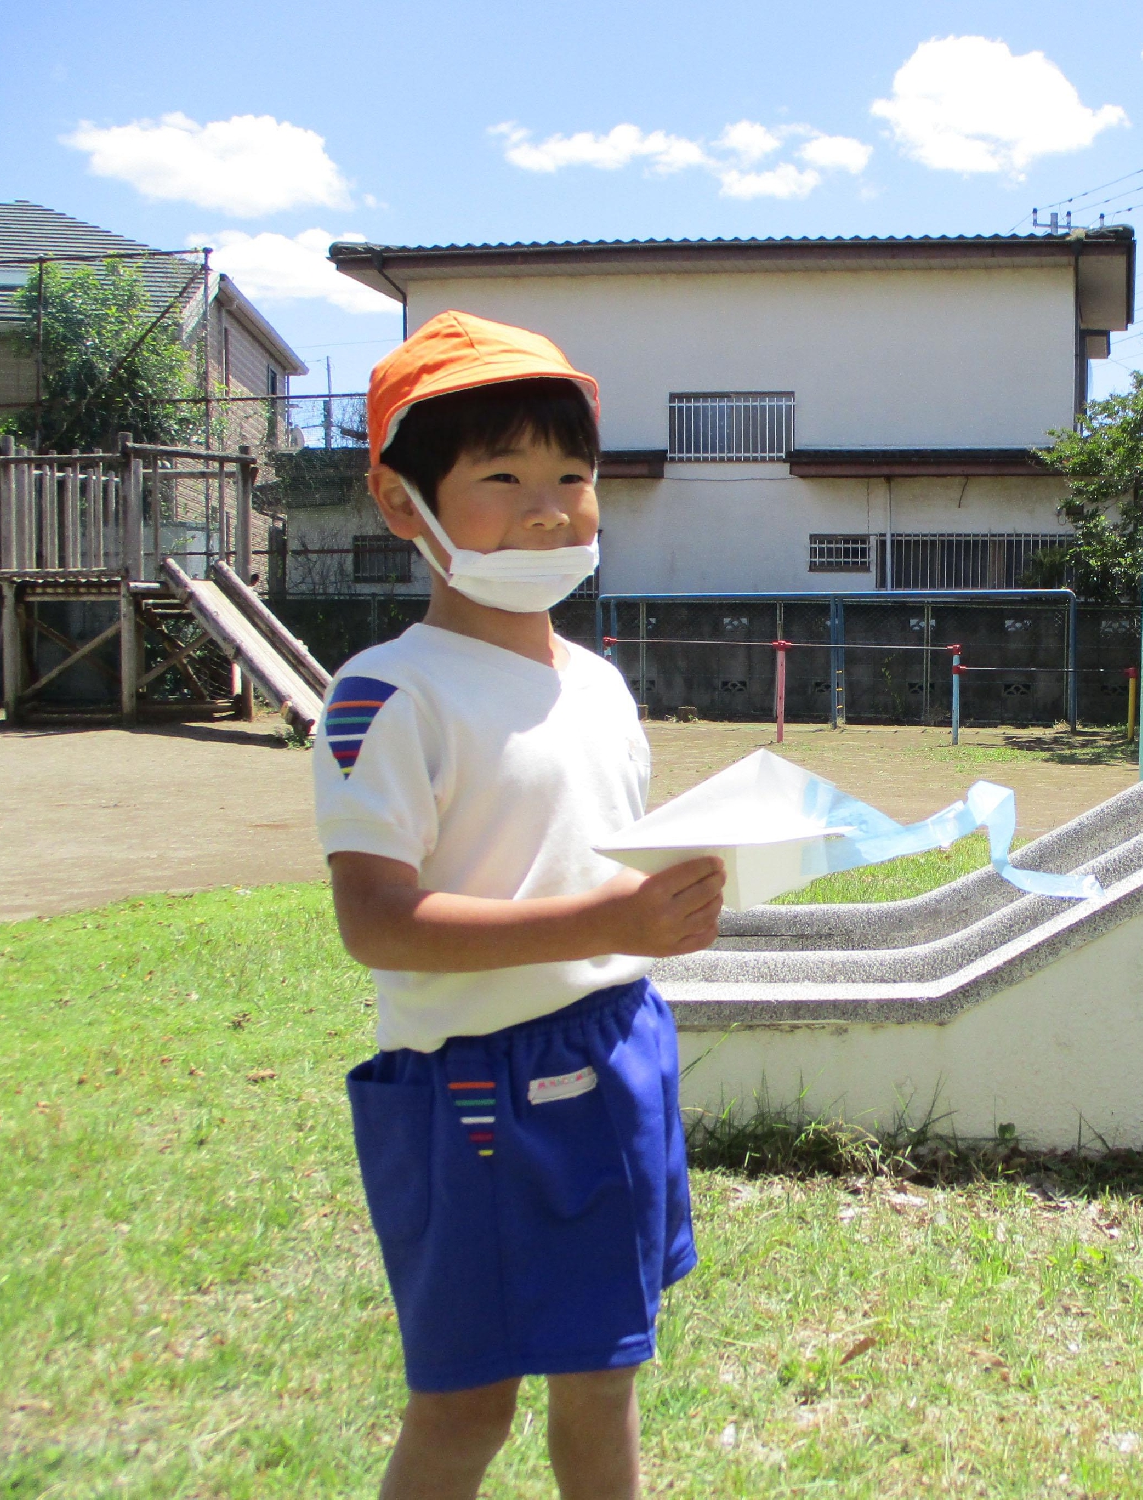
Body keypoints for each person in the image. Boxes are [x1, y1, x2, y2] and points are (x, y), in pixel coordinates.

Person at [313, 311, 725, 1500]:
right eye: (502, 478)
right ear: (400, 502)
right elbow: (376, 922)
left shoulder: (597, 683)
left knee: (607, 1374)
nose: (550, 511)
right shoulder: (388, 693)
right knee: (465, 1405)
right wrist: (608, 923)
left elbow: (596, 859)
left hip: (619, 1048)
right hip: (476, 1088)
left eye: (573, 478)